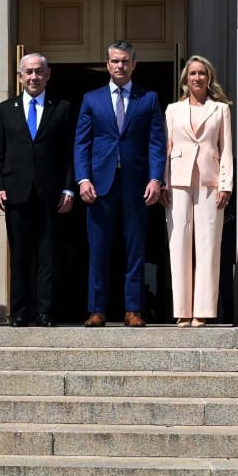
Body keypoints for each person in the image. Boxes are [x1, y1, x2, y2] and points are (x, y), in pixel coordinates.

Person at [74, 40, 166, 327]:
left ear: (134, 65)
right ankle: (97, 309)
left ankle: (133, 309)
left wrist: (155, 178)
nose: (120, 66)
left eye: (125, 61)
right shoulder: (92, 99)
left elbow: (156, 143)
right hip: (99, 186)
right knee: (98, 249)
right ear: (107, 65)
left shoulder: (148, 98)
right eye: (115, 61)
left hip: (136, 185)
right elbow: (82, 143)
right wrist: (83, 178)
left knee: (135, 249)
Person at [0, 52, 75, 328]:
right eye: (28, 72)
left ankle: (45, 312)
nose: (34, 77)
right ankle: (19, 312)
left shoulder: (61, 108)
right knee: (20, 256)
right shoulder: (5, 110)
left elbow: (68, 154)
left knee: (48, 256)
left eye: (39, 71)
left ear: (48, 75)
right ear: (19, 77)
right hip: (16, 193)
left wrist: (69, 189)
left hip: (50, 194)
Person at [163, 55, 233, 326]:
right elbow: (166, 150)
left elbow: (226, 149)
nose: (197, 78)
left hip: (210, 180)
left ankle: (202, 310)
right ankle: (182, 309)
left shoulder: (220, 110)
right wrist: (163, 183)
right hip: (178, 181)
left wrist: (226, 184)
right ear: (185, 79)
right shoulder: (172, 110)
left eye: (201, 73)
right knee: (178, 244)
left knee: (208, 245)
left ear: (209, 77)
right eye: (192, 73)